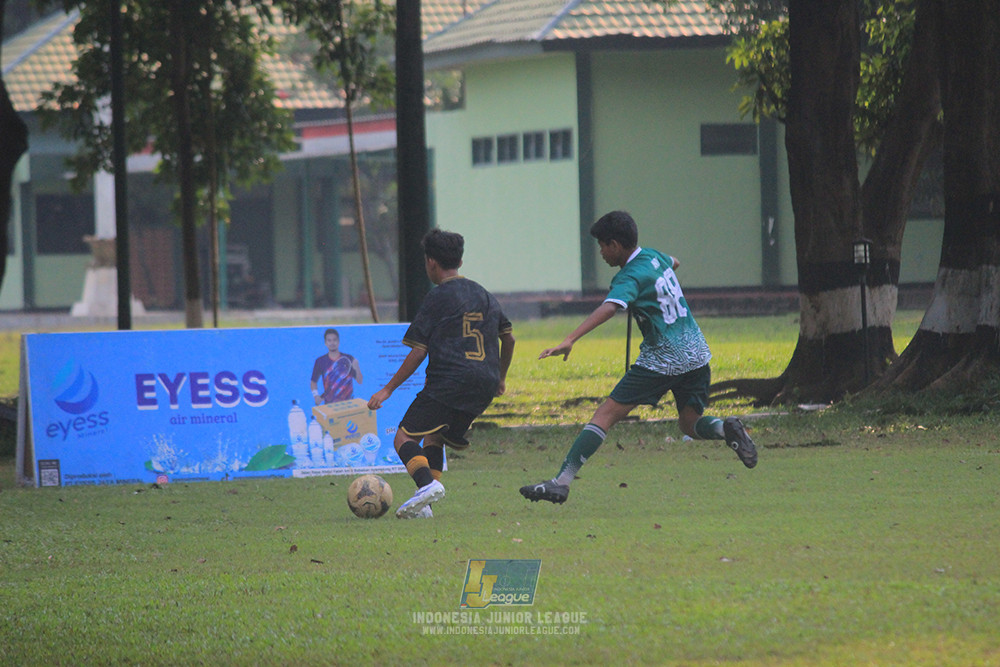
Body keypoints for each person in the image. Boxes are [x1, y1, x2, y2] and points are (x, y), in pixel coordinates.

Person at [520, 210, 757, 505]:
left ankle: (561, 482)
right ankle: (726, 427)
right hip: (697, 352)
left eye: (603, 246)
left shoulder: (629, 276)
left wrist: (570, 339)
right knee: (689, 423)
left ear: (616, 245)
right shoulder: (655, 257)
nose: (602, 253)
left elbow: (610, 307)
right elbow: (675, 262)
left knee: (605, 415)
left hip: (664, 358)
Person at [368, 229, 516, 518]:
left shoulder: (437, 297)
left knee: (403, 438)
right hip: (483, 384)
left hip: (451, 381)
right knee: (433, 436)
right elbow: (508, 338)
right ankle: (427, 505)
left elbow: (418, 351)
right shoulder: (484, 295)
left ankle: (426, 485)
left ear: (431, 263)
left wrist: (387, 390)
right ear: (459, 261)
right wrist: (501, 377)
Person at [311, 328, 363, 404]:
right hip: (330, 405)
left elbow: (360, 381)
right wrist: (316, 396)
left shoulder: (349, 359)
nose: (332, 343)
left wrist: (357, 368)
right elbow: (313, 382)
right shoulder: (320, 361)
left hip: (349, 404)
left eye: (334, 340)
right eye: (329, 340)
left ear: (338, 342)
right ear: (325, 343)